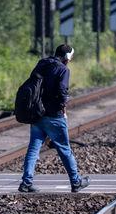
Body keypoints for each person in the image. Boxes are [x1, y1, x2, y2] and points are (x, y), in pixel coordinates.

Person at [19, 44, 90, 193]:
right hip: (54, 116)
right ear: (67, 57)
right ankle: (76, 182)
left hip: (37, 114)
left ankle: (26, 182)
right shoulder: (63, 70)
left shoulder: (42, 63)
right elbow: (62, 91)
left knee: (33, 149)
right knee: (65, 149)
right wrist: (63, 106)